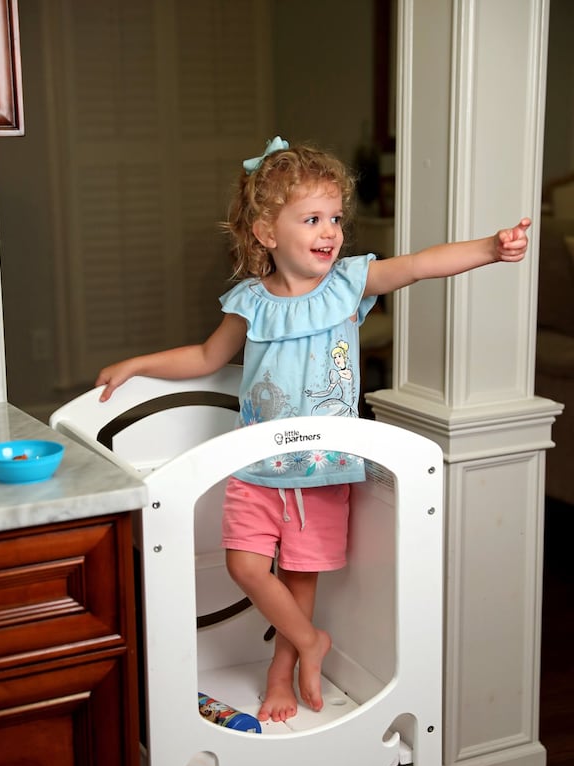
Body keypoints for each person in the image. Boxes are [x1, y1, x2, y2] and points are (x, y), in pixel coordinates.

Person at [96, 136, 530, 724]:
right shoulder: (250, 301)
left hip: (324, 470)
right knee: (247, 568)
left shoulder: (350, 284)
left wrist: (488, 247)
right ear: (267, 234)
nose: (329, 231)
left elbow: (423, 265)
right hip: (256, 469)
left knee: (300, 581)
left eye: (333, 218)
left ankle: (285, 671)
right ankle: (309, 643)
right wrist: (137, 364)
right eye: (311, 219)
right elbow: (204, 357)